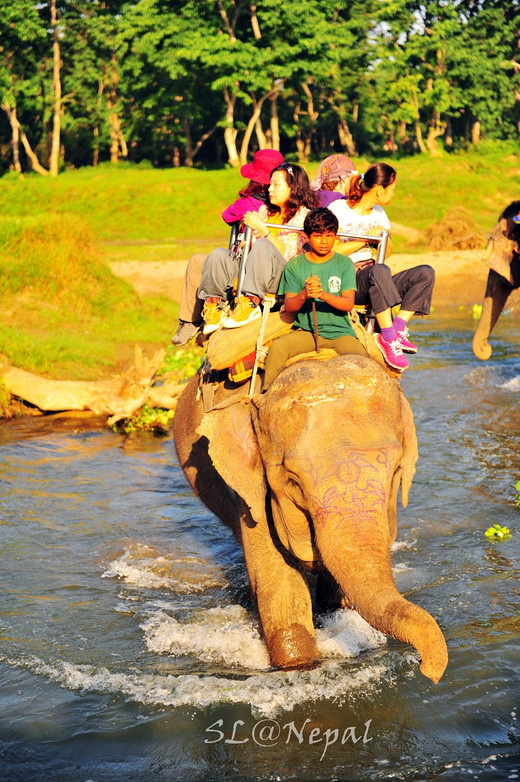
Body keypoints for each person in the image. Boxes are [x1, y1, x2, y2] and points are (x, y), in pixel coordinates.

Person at [171, 148, 284, 345]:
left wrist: (245, 198)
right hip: (245, 261)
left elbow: (227, 215)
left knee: (202, 260)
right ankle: (200, 314)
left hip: (256, 269)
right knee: (204, 259)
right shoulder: (269, 206)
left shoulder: (251, 204)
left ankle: (195, 317)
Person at [329, 162, 435, 372]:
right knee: (379, 271)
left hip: (377, 277)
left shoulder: (378, 213)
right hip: (348, 281)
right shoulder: (338, 209)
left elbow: (385, 253)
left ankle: (396, 331)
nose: (393, 194)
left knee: (425, 273)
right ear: (380, 190)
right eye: (393, 189)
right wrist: (365, 240)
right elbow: (330, 250)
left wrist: (383, 237)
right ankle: (387, 337)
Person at [199, 162, 320, 331]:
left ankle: (250, 303)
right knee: (219, 254)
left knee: (263, 244)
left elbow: (287, 253)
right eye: (270, 184)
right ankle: (214, 306)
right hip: (255, 270)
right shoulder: (264, 211)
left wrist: (262, 230)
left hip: (284, 275)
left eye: (276, 185)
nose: (269, 189)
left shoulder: (304, 217)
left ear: (293, 188)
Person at [262, 207, 367, 391]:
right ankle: (267, 395)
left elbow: (348, 304)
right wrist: (304, 294)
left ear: (335, 236)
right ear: (307, 237)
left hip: (341, 333)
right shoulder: (294, 266)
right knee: (278, 347)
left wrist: (323, 295)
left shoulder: (344, 263)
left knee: (365, 363)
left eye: (329, 235)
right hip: (306, 332)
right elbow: (290, 305)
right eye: (318, 236)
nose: (325, 241)